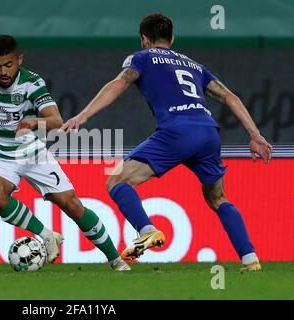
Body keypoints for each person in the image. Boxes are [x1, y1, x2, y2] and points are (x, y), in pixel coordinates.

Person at [60, 13, 272, 272]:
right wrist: (255, 135)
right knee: (218, 198)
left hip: (176, 131)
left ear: (144, 39)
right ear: (171, 38)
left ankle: (147, 230)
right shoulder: (194, 65)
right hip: (208, 133)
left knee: (117, 180)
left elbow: (120, 83)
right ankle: (250, 259)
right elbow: (230, 97)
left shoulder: (141, 58)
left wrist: (83, 115)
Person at [0, 35, 130, 271]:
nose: (3, 71)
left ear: (19, 60)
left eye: (9, 65)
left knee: (71, 204)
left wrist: (34, 122)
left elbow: (56, 120)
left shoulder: (32, 84)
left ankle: (116, 259)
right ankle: (46, 235)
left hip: (31, 152)